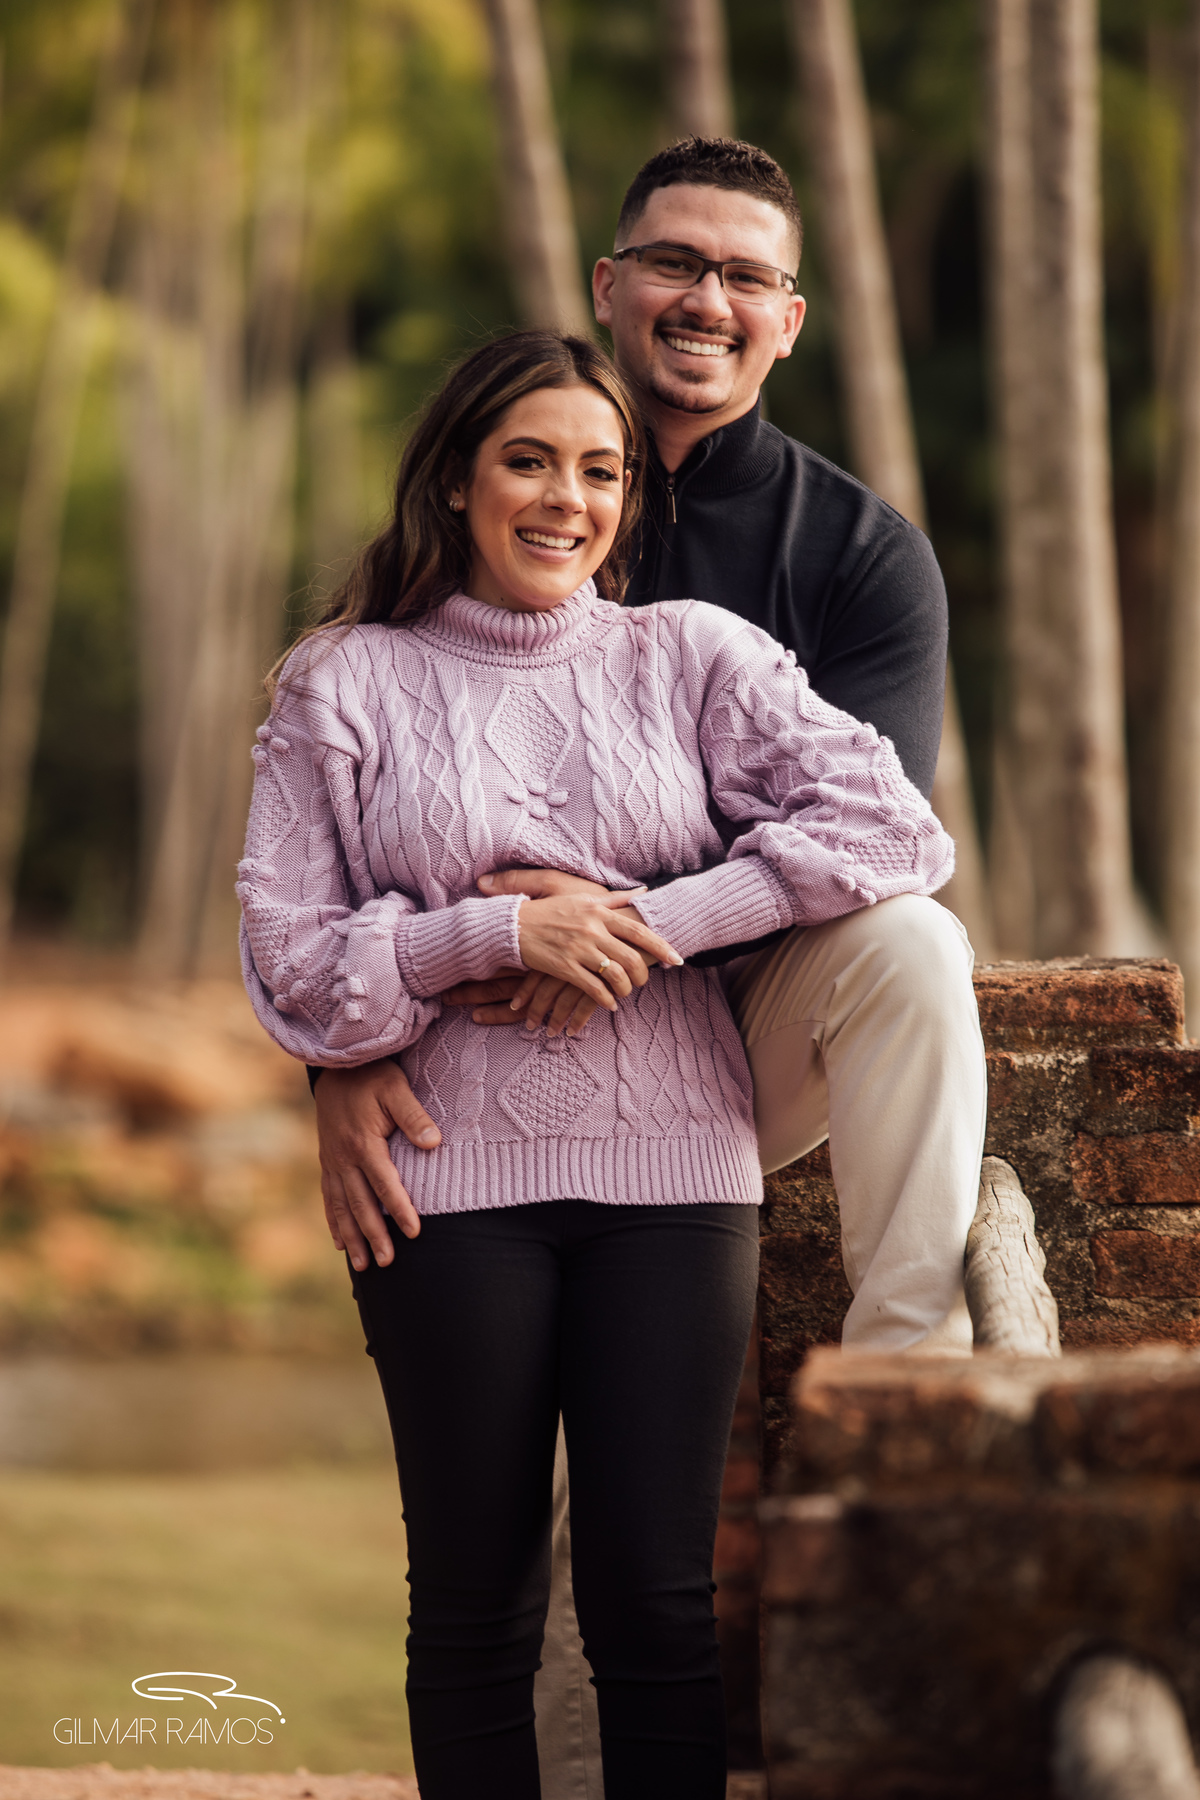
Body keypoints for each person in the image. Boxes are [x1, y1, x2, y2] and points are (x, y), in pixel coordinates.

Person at [238, 328, 956, 1800]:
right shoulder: (342, 681)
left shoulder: (689, 654)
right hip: (446, 1181)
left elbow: (895, 830)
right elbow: (290, 960)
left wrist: (647, 926)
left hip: (676, 1174)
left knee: (658, 1607)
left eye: (601, 471)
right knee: (474, 1607)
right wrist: (493, 932)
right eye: (529, 461)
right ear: (455, 481)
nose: (567, 498)